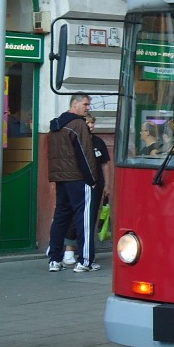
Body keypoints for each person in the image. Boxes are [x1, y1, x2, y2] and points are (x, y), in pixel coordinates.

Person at [46, 92, 100, 273]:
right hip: (78, 178)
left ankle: (54, 259)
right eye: (85, 104)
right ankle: (85, 261)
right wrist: (92, 180)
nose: (88, 108)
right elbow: (86, 155)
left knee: (60, 217)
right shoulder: (78, 125)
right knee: (83, 219)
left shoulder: (55, 125)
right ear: (75, 104)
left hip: (61, 178)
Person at [62, 114, 110, 266]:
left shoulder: (98, 142)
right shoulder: (77, 140)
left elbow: (105, 164)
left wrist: (107, 184)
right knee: (76, 217)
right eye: (88, 123)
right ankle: (69, 250)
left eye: (93, 123)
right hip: (79, 184)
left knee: (90, 219)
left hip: (97, 185)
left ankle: (86, 252)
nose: (91, 126)